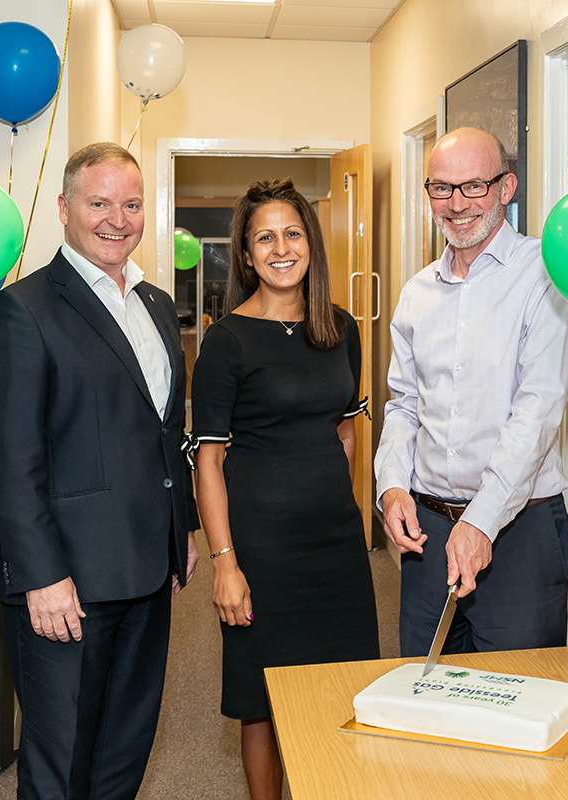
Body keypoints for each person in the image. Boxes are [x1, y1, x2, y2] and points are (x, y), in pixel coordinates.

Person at [0, 142, 199, 800]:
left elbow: (165, 432)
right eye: (99, 203)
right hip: (65, 583)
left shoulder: (157, 304)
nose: (117, 219)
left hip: (147, 569)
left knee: (124, 749)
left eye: (131, 204)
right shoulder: (22, 310)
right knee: (62, 761)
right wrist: (42, 576)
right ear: (64, 207)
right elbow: (10, 462)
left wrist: (180, 528)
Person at [189, 179, 379, 800]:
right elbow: (209, 460)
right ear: (246, 255)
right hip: (261, 550)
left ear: (311, 244)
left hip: (336, 547)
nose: (280, 248)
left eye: (292, 234)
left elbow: (346, 431)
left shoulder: (341, 328)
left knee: (345, 687)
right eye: (264, 238)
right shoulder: (226, 340)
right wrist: (225, 564)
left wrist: (336, 505)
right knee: (262, 701)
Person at [375, 127, 568, 657]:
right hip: (429, 532)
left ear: (506, 188)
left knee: (519, 694)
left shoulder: (546, 275)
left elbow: (536, 413)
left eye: (474, 186)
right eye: (441, 188)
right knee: (425, 689)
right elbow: (404, 405)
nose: (457, 204)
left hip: (519, 532)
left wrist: (481, 521)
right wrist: (392, 485)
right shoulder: (417, 293)